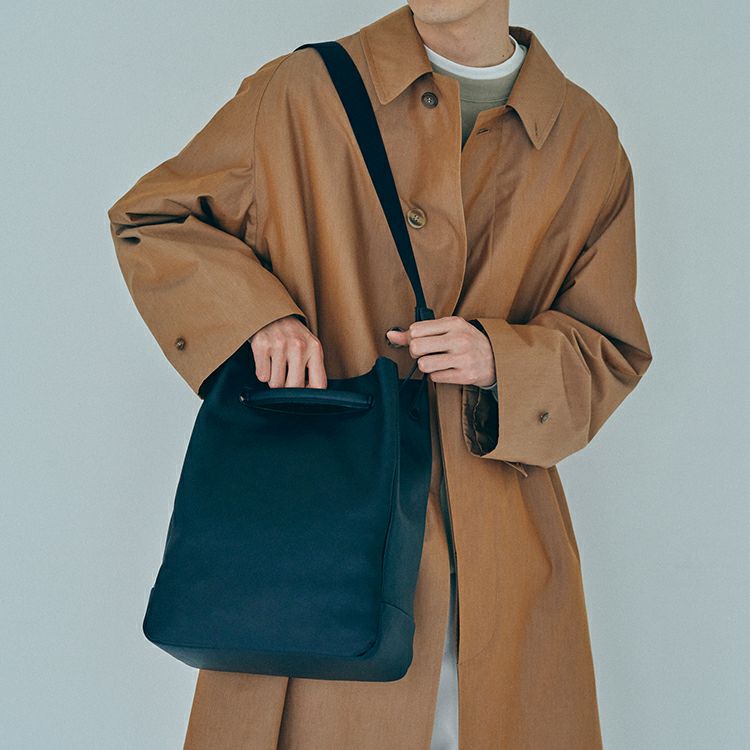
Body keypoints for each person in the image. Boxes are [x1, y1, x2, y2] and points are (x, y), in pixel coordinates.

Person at [107, 2, 653, 748]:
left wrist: (502, 359)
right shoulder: (304, 90)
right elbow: (156, 218)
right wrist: (258, 316)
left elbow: (609, 345)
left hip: (502, 559)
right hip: (317, 541)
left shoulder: (583, 140)